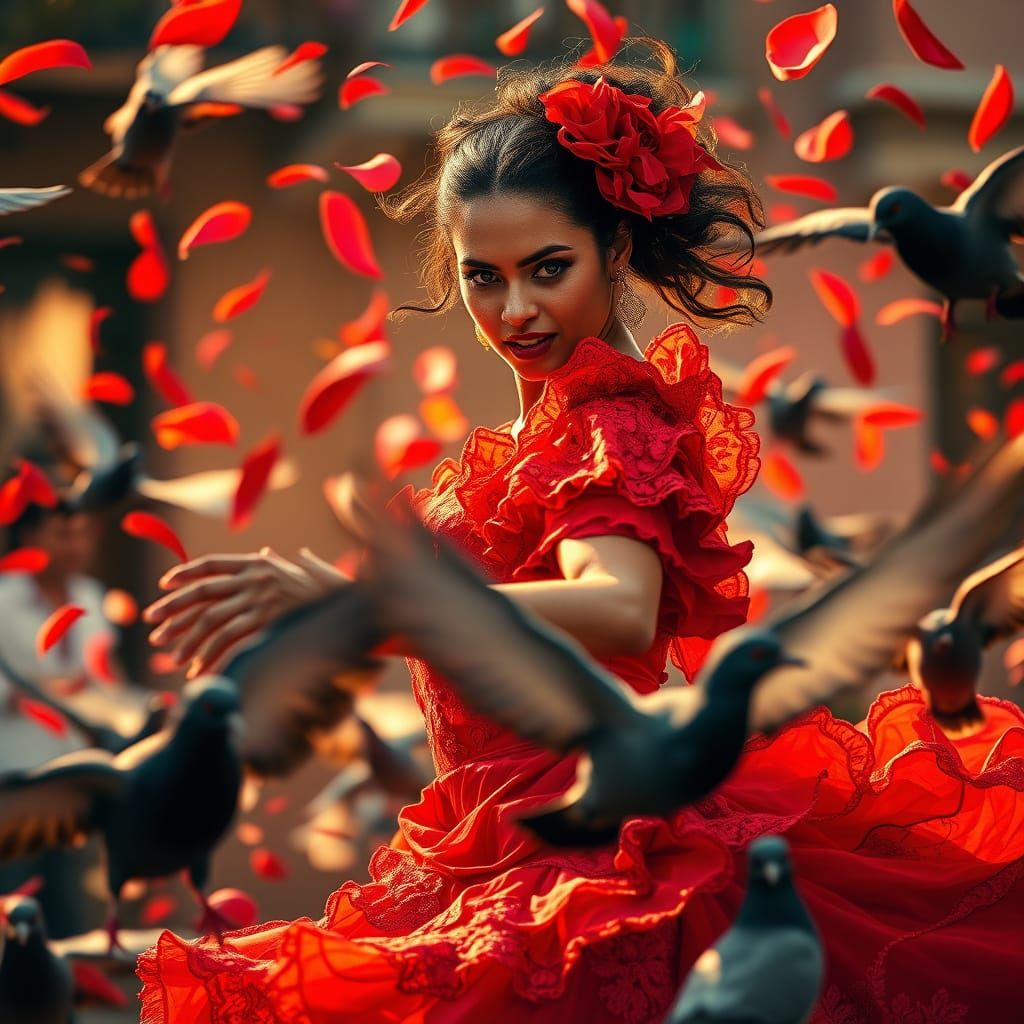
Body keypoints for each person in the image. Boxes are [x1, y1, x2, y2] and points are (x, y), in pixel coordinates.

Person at [136, 39, 1024, 1024]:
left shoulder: (610, 417)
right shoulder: (549, 424)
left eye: (545, 270)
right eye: (483, 277)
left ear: (616, 251)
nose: (513, 309)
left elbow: (619, 604)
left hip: (602, 867)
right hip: (505, 837)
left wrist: (366, 609)